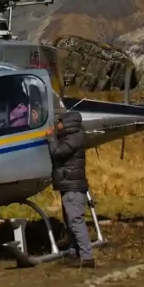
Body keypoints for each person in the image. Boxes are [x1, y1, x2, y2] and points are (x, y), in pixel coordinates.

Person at [46, 110, 94, 269]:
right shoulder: (72, 137)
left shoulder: (73, 139)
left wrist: (50, 137)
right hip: (69, 185)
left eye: (60, 121)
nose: (57, 124)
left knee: (75, 221)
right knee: (70, 221)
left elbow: (57, 152)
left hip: (73, 186)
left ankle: (87, 257)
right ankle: (74, 253)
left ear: (67, 123)